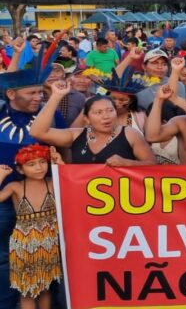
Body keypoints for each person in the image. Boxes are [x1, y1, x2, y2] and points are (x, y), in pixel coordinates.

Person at [0, 144, 64, 309]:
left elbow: (71, 182)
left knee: (45, 288)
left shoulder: (52, 182)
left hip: (49, 243)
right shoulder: (16, 187)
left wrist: (60, 162)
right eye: (31, 164)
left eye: (42, 162)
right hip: (23, 245)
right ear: (20, 170)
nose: (38, 167)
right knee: (26, 291)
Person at [30, 83, 154, 166]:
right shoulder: (76, 135)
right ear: (87, 119)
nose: (106, 116)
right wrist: (56, 96)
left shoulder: (130, 134)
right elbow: (37, 132)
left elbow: (152, 164)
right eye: (98, 112)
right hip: (84, 200)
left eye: (110, 111)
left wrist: (127, 163)